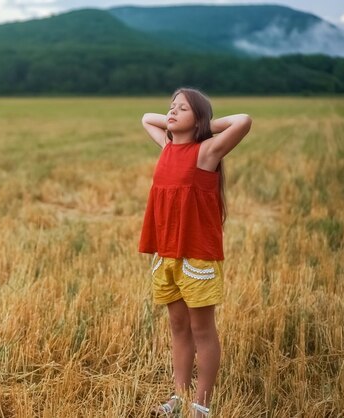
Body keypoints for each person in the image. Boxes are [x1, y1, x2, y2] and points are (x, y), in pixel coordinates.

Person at [139, 87, 252, 417]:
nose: (171, 112)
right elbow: (146, 118)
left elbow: (243, 121)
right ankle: (178, 396)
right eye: (170, 107)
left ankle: (201, 403)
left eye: (181, 108)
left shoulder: (206, 152)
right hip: (167, 253)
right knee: (178, 327)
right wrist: (181, 121)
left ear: (199, 119)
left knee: (202, 329)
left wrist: (205, 126)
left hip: (197, 256)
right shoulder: (167, 146)